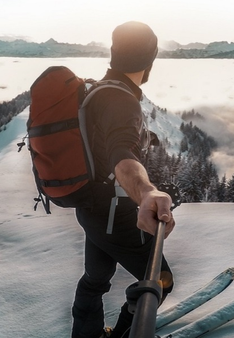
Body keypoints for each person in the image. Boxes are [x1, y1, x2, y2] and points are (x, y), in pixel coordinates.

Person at [71, 21, 176, 338]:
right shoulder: (122, 101)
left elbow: (109, 145)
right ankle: (123, 334)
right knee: (159, 280)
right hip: (116, 214)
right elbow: (121, 153)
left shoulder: (97, 91)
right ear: (149, 61)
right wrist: (146, 192)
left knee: (96, 278)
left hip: (91, 208)